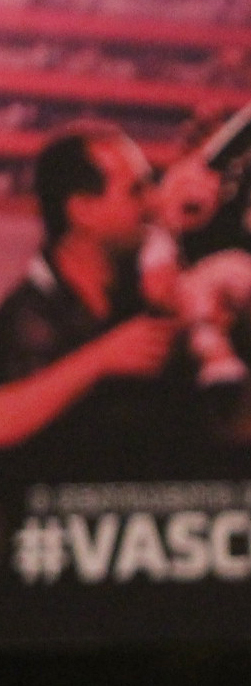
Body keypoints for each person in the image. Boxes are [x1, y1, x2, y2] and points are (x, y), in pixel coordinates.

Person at [0, 123, 217, 447]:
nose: (153, 201)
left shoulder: (145, 285)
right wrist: (101, 359)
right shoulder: (27, 316)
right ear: (82, 210)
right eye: (136, 190)